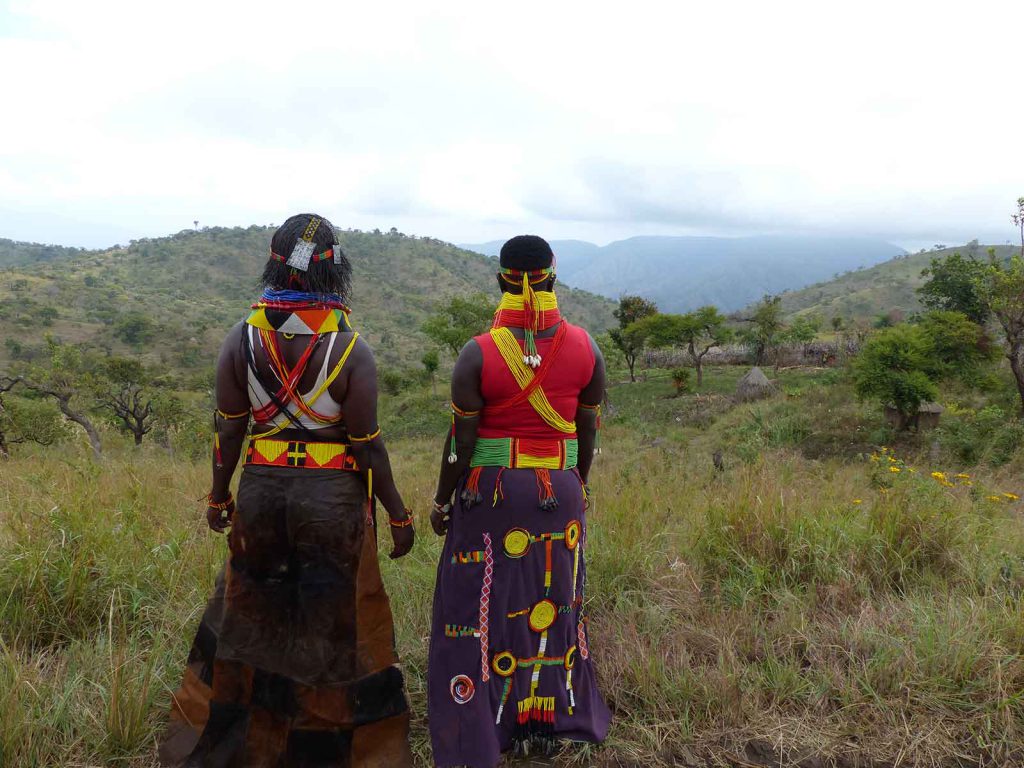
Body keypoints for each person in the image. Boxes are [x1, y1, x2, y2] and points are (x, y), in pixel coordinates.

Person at [159, 213, 415, 767]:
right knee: (328, 626)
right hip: (330, 504)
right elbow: (366, 444)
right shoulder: (351, 349)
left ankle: (248, 746)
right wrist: (399, 513)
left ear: (274, 262)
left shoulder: (240, 339)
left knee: (254, 622)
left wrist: (217, 496)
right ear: (336, 269)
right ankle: (321, 751)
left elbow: (230, 430)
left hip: (262, 497)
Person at [427, 235, 611, 767]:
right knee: (554, 602)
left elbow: (461, 444)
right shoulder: (587, 348)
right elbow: (586, 432)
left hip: (492, 495)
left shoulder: (477, 353)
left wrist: (442, 501)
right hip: (562, 488)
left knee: (481, 606)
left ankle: (485, 722)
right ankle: (554, 717)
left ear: (501, 280)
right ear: (553, 277)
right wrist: (579, 482)